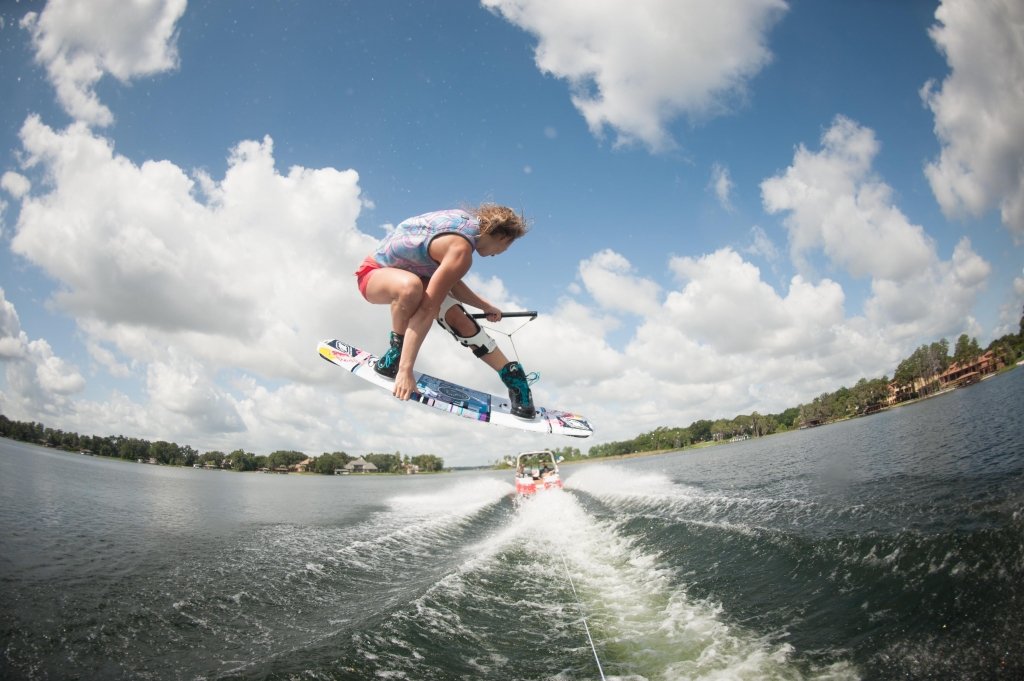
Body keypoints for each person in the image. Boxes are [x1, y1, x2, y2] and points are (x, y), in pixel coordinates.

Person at [355, 205, 537, 418]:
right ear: (503, 238)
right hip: (374, 275)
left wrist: (485, 306)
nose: (498, 255)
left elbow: (450, 281)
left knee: (461, 321)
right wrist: (406, 370)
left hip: (416, 276)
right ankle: (395, 357)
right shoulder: (461, 249)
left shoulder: (467, 227)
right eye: (505, 248)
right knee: (411, 287)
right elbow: (426, 310)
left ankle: (515, 380)